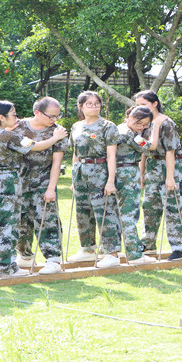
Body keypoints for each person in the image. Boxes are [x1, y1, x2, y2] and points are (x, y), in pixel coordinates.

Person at [0, 101, 67, 277]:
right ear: (2, 117)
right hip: (8, 184)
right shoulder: (8, 135)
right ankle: (6, 267)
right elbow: (36, 146)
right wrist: (55, 138)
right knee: (7, 225)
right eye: (13, 114)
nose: (17, 118)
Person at [66, 91, 123, 268]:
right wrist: (73, 180)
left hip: (100, 170)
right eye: (89, 104)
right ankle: (87, 249)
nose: (94, 106)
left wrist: (111, 180)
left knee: (104, 211)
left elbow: (111, 155)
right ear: (80, 106)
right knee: (82, 211)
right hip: (80, 170)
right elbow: (75, 153)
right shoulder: (76, 126)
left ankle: (111, 252)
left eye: (97, 103)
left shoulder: (108, 126)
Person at [13, 97, 70, 272]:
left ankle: (53, 259)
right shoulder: (18, 126)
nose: (55, 120)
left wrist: (51, 188)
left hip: (43, 181)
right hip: (19, 181)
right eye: (51, 116)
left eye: (57, 116)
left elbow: (56, 162)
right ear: (37, 112)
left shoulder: (58, 132)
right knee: (20, 220)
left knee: (47, 219)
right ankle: (24, 255)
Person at [134, 90, 182, 260]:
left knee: (173, 207)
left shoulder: (166, 123)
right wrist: (141, 173)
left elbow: (170, 152)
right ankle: (148, 244)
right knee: (150, 206)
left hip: (169, 166)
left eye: (144, 104)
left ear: (155, 103)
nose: (140, 108)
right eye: (137, 106)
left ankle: (180, 247)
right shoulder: (144, 123)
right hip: (152, 166)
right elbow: (144, 149)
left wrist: (170, 177)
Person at [114, 106, 161, 264]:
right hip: (127, 174)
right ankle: (134, 254)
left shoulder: (118, 128)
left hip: (115, 173)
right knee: (129, 215)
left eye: (145, 125)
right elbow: (150, 147)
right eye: (138, 122)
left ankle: (111, 252)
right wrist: (155, 127)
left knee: (114, 214)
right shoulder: (130, 135)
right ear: (128, 116)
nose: (141, 127)